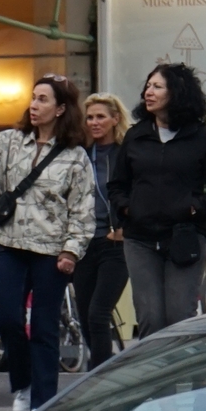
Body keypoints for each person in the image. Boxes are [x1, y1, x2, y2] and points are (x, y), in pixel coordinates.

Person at [0, 74, 94, 411]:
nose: (34, 105)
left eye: (43, 99)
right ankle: (23, 385)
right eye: (33, 98)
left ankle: (43, 403)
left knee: (45, 327)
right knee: (8, 320)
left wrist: (71, 251)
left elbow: (83, 210)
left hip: (50, 252)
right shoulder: (12, 142)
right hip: (10, 243)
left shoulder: (75, 158)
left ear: (61, 108)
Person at [110, 62, 206, 338]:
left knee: (179, 317)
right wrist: (126, 208)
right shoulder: (136, 135)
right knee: (150, 317)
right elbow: (117, 185)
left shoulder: (201, 137)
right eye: (148, 86)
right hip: (140, 239)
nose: (148, 92)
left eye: (157, 87)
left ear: (176, 92)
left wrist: (194, 207)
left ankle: (185, 380)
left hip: (184, 238)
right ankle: (157, 380)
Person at [72, 91, 129, 366]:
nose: (94, 122)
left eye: (101, 117)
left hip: (115, 243)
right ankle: (106, 366)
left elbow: (141, 192)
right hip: (84, 243)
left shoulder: (125, 153)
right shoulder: (81, 153)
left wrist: (125, 227)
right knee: (85, 316)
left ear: (115, 119)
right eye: (90, 117)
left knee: (98, 313)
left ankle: (98, 380)